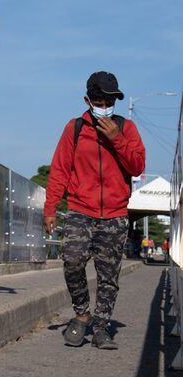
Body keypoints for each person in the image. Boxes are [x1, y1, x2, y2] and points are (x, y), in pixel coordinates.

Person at [44, 71, 145, 350]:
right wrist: (50, 207)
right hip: (80, 209)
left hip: (115, 214)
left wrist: (116, 138)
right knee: (72, 261)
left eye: (110, 102)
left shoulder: (126, 128)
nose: (105, 107)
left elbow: (137, 167)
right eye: (99, 102)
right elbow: (60, 170)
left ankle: (101, 327)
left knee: (108, 276)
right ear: (87, 100)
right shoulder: (75, 128)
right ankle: (82, 313)